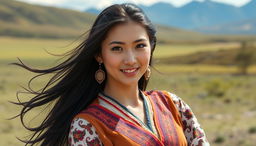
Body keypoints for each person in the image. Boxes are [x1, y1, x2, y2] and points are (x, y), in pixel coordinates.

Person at [13, 3, 209, 146]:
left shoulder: (173, 104)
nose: (131, 59)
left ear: (151, 48)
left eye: (140, 46)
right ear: (99, 54)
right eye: (117, 48)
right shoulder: (86, 125)